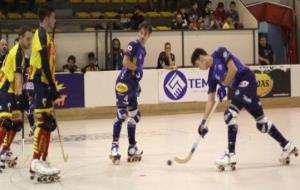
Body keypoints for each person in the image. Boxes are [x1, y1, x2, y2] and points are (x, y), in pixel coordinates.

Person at [190, 47, 298, 171]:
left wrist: (224, 85)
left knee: (229, 115)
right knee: (262, 124)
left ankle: (230, 155)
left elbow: (233, 68)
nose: (199, 68)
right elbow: (210, 100)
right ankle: (287, 145)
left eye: (197, 65)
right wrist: (203, 122)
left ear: (201, 58)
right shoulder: (211, 76)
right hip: (241, 89)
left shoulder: (219, 52)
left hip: (247, 80)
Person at [28, 5, 66, 182]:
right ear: (46, 18)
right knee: (43, 122)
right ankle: (35, 161)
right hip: (40, 81)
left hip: (45, 81)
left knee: (49, 123)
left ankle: (42, 159)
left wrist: (52, 85)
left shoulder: (46, 35)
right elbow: (43, 60)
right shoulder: (41, 33)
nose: (55, 20)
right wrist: (51, 85)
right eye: (53, 17)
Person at [110, 22, 152, 165]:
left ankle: (132, 146)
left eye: (145, 34)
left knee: (135, 116)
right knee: (122, 115)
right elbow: (125, 62)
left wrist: (137, 83)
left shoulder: (143, 50)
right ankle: (114, 147)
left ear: (149, 36)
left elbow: (135, 70)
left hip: (133, 85)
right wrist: (138, 70)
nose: (142, 36)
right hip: (123, 83)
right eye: (140, 33)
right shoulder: (133, 44)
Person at [0, 26, 33, 170]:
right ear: (20, 38)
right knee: (6, 122)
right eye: (27, 39)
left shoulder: (22, 52)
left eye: (31, 39)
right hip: (4, 87)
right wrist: (21, 96)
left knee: (17, 123)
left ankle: (5, 150)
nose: (29, 41)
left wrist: (22, 95)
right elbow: (18, 76)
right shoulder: (18, 53)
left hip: (13, 89)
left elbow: (20, 78)